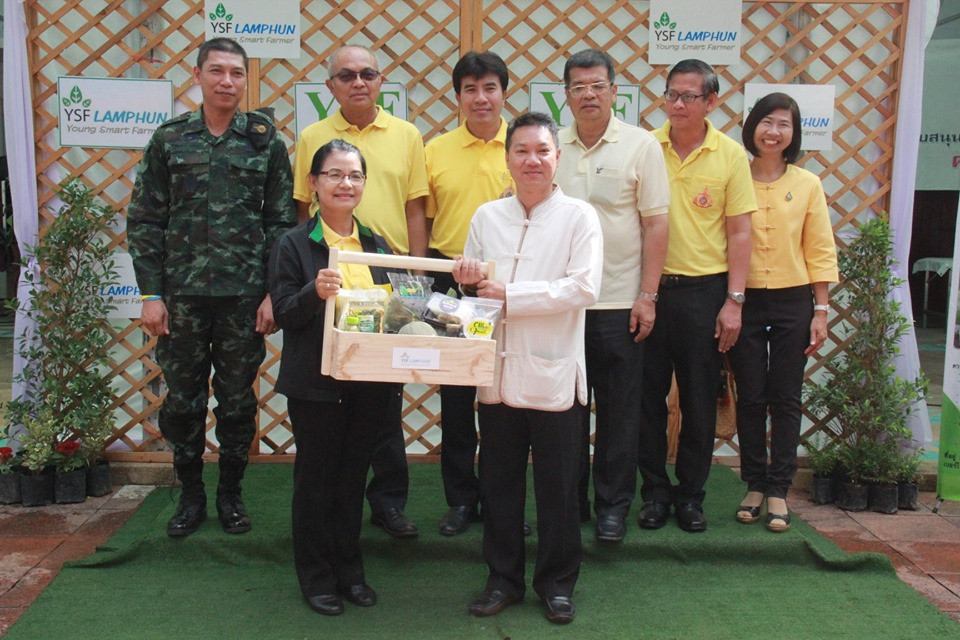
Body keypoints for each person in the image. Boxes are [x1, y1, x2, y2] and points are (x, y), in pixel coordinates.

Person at [127, 38, 296, 537]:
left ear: (247, 80)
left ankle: (230, 493)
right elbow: (145, 219)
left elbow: (280, 225)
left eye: (236, 73)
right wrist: (150, 294)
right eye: (217, 71)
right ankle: (191, 494)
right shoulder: (169, 139)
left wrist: (272, 293)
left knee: (238, 400)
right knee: (182, 401)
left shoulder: (266, 143)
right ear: (197, 76)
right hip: (181, 297)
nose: (227, 81)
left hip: (245, 298)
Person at [455, 112, 603, 624]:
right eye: (522, 151)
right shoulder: (485, 218)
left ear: (557, 157)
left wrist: (511, 295)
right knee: (498, 483)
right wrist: (467, 279)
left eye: (542, 150)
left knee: (560, 487)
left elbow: (584, 288)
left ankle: (557, 584)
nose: (532, 160)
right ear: (507, 158)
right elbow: (472, 294)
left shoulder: (580, 217)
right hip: (494, 373)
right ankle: (502, 579)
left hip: (555, 372)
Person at [292, 44, 429, 537]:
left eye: (367, 73)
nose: (358, 82)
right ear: (330, 86)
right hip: (331, 288)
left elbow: (416, 209)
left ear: (380, 80)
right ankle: (328, 512)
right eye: (346, 75)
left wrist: (415, 281)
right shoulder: (313, 136)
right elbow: (301, 212)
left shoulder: (407, 135)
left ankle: (389, 502)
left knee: (385, 401)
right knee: (332, 405)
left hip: (387, 284)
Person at [269, 139, 401, 616]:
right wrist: (313, 291)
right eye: (335, 175)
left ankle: (351, 572)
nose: (346, 184)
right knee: (316, 482)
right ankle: (317, 577)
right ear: (314, 183)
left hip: (369, 386)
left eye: (355, 176)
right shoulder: (293, 243)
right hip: (315, 386)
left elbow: (395, 310)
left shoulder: (376, 243)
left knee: (351, 481)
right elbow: (283, 312)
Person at [555, 49, 670, 542]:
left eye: (597, 85)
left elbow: (656, 223)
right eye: (578, 87)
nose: (588, 94)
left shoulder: (641, 145)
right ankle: (570, 502)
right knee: (566, 412)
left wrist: (648, 295)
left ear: (615, 91)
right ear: (565, 95)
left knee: (621, 413)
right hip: (563, 306)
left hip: (621, 303)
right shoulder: (550, 145)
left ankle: (612, 508)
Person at [637, 59, 756, 533]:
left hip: (705, 294)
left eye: (689, 96)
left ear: (712, 102)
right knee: (646, 399)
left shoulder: (728, 156)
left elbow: (741, 233)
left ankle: (690, 496)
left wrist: (735, 300)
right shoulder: (646, 146)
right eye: (671, 95)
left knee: (700, 400)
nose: (678, 104)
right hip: (648, 291)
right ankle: (653, 494)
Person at [729, 92, 838, 532]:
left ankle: (779, 490)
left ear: (793, 134)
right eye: (767, 122)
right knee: (751, 395)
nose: (774, 132)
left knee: (786, 398)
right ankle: (754, 482)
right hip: (745, 300)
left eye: (784, 125)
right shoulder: (735, 178)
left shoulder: (808, 184)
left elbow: (819, 248)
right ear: (753, 126)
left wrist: (821, 309)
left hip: (794, 301)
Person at [415, 50, 514, 536]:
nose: (481, 98)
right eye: (470, 89)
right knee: (455, 397)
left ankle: (502, 501)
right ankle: (460, 499)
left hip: (506, 285)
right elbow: (426, 221)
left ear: (504, 93)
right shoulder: (435, 151)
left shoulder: (522, 149)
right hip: (449, 282)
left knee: (503, 397)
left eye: (490, 88)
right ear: (457, 96)